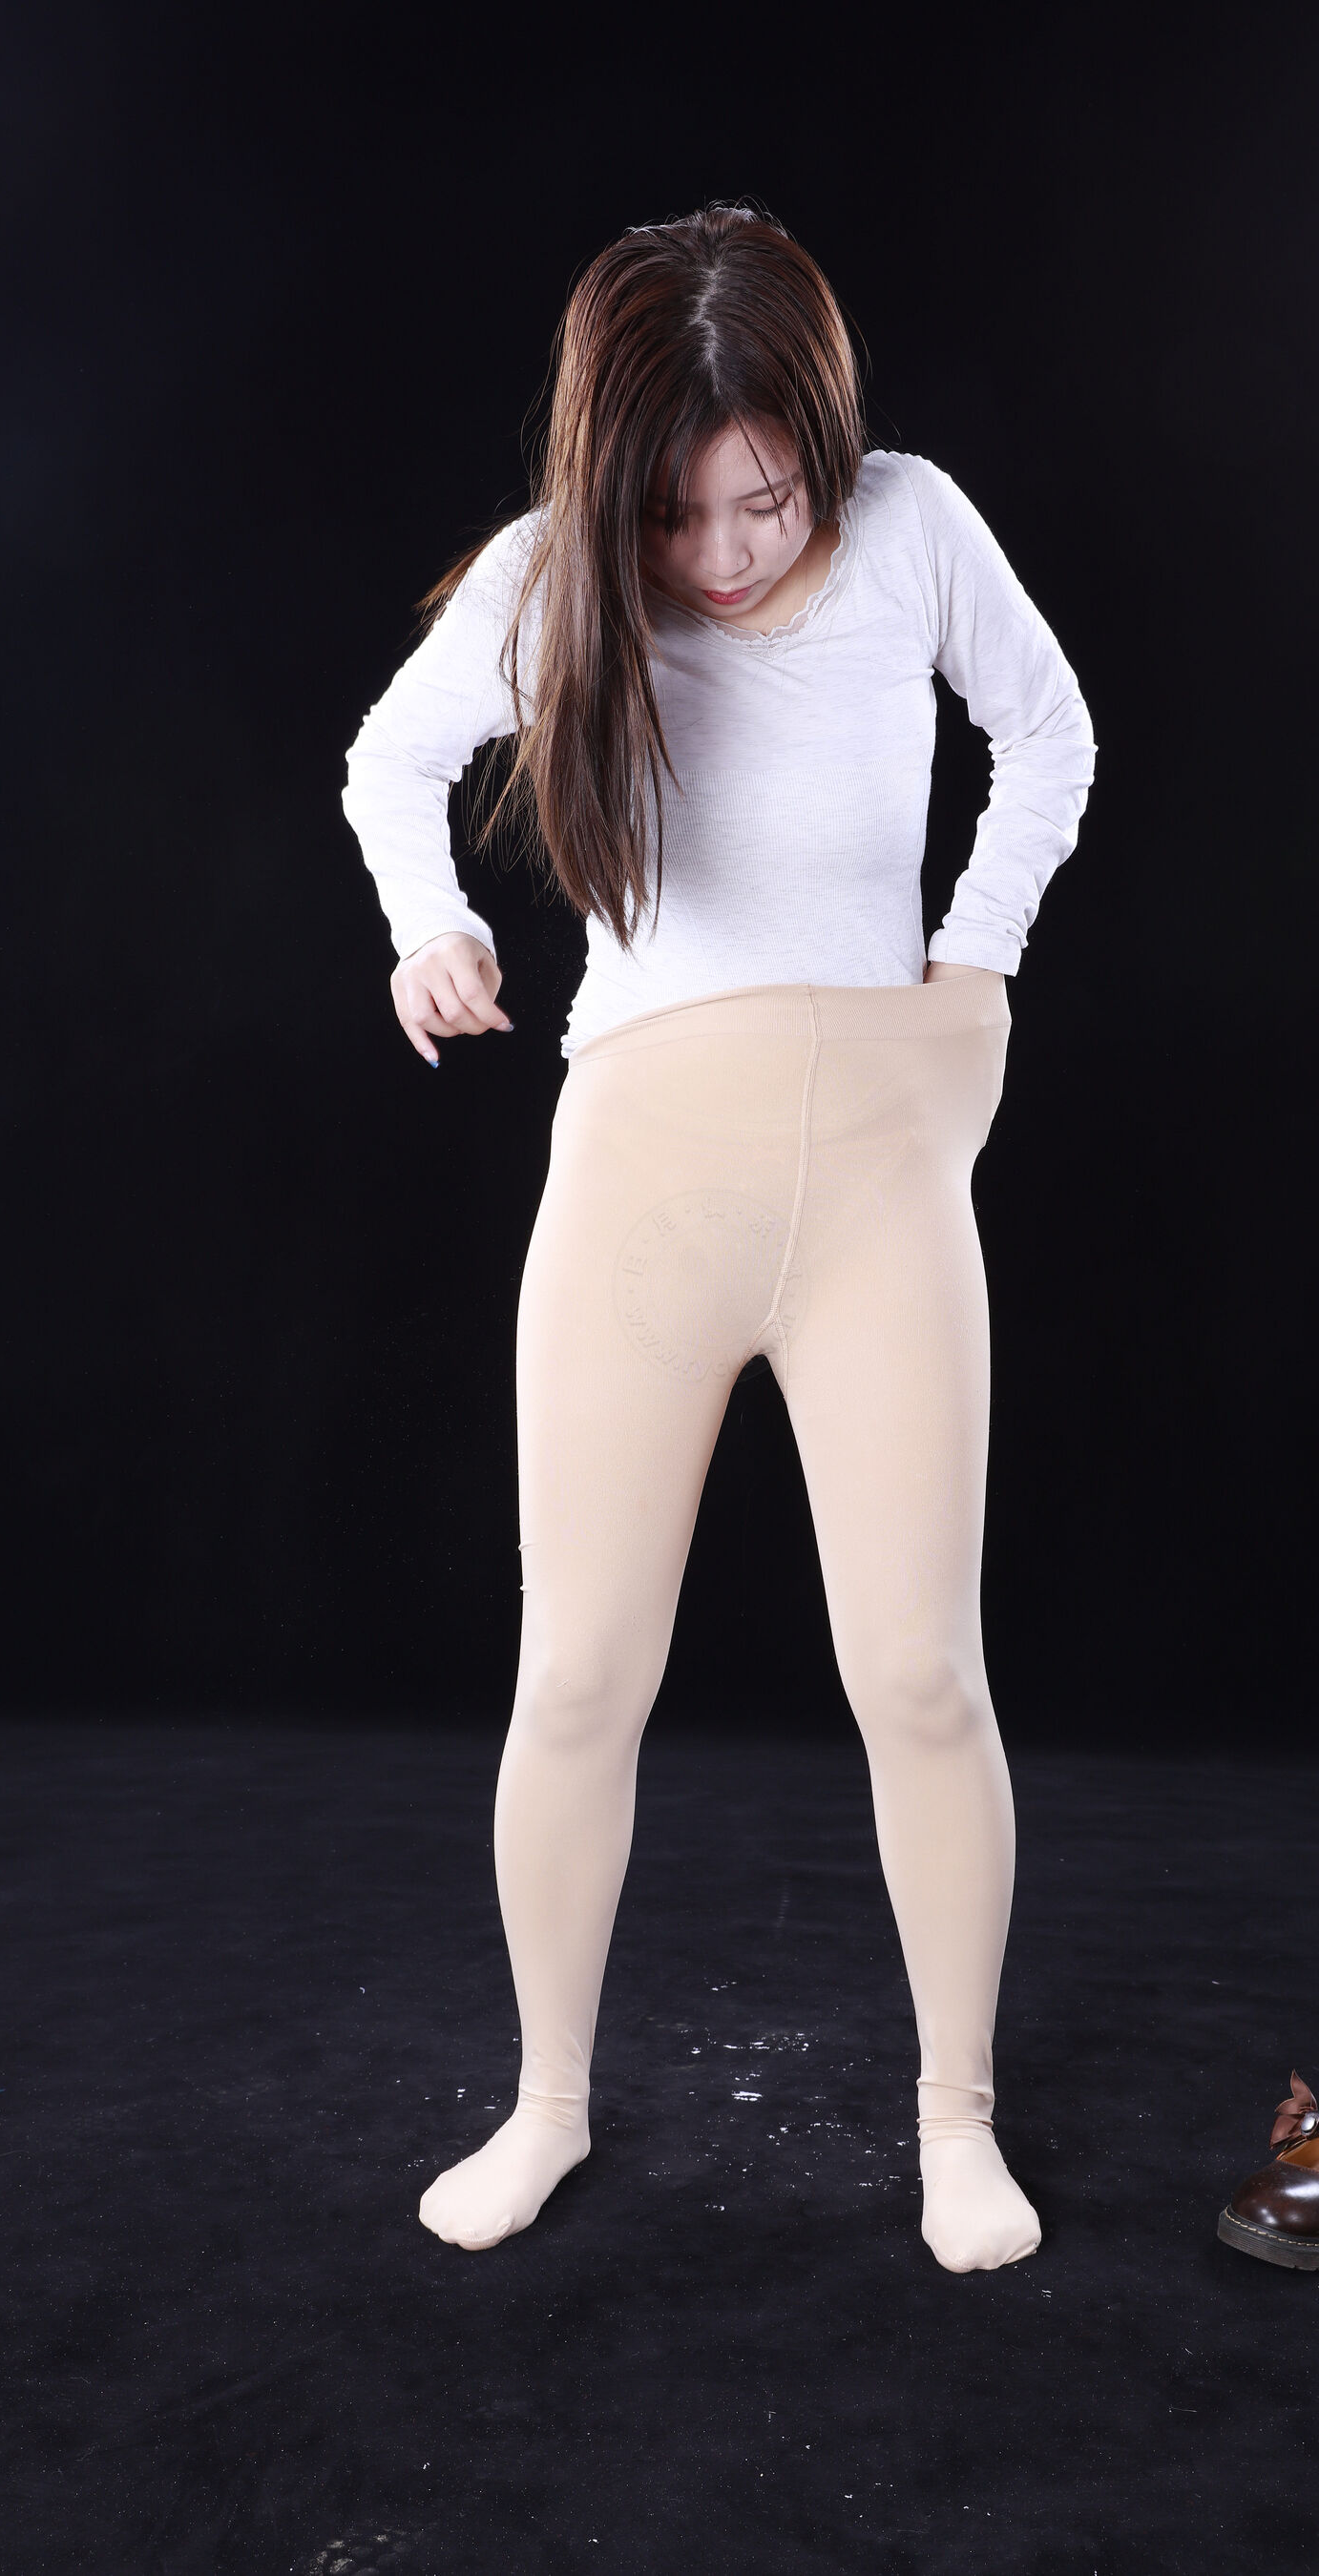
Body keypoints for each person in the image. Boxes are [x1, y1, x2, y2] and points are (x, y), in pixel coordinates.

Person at [342, 205, 1096, 2273]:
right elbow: (394, 761)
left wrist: (974, 963)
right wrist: (429, 927)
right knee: (580, 1670)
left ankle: (957, 2117)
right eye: (677, 515)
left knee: (920, 1670)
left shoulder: (916, 526)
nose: (728, 551)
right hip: (642, 1180)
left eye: (766, 499)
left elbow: (1049, 731)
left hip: (876, 1178)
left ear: (825, 441)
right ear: (616, 487)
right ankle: (546, 2104)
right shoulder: (555, 576)